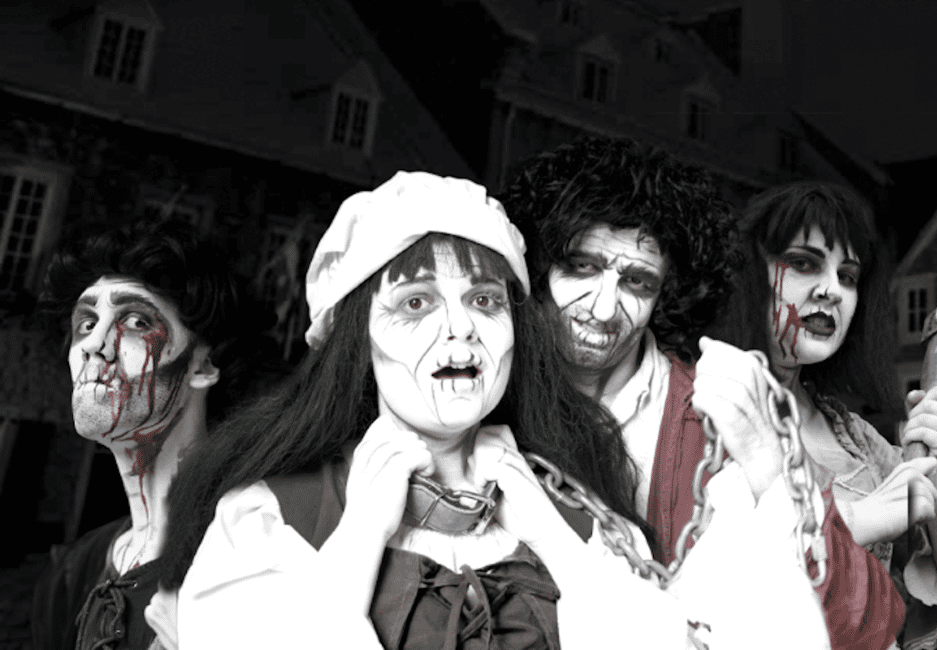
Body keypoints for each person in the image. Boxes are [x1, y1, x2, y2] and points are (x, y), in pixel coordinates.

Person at [147, 171, 709, 649]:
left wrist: (552, 536)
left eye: (485, 300)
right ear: (358, 340)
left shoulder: (581, 516)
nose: (461, 327)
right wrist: (361, 536)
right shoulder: (271, 517)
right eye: (416, 302)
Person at [500, 137, 905, 650]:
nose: (602, 309)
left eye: (637, 282)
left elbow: (869, 626)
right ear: (539, 268)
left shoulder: (723, 416)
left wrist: (769, 472)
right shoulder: (486, 399)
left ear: (666, 292)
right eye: (581, 267)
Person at [716, 180, 937, 649]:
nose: (831, 290)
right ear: (749, 274)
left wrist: (930, 468)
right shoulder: (699, 411)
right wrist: (860, 518)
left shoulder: (859, 441)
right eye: (803, 263)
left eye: (848, 276)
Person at [31, 220, 239, 650]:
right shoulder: (71, 572)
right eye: (86, 323)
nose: (94, 344)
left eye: (137, 321)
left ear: (203, 365)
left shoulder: (251, 552)